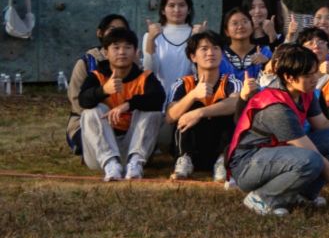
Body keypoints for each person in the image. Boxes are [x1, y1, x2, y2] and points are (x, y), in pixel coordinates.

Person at [225, 43, 329, 217]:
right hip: (247, 165)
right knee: (310, 159)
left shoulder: (305, 92)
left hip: (275, 154)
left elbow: (323, 124)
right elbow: (315, 155)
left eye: (315, 72)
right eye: (307, 75)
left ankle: (303, 194)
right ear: (289, 77)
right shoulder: (277, 107)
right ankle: (263, 198)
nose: (314, 79)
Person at [77, 26, 162, 181]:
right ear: (106, 53)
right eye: (116, 48)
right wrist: (103, 90)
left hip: (134, 147)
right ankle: (111, 164)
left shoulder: (145, 77)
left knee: (153, 112)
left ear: (135, 52)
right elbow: (83, 100)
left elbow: (158, 99)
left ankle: (135, 163)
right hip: (100, 151)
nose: (122, 52)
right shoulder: (96, 76)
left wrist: (129, 104)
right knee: (91, 111)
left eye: (127, 47)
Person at [165, 30, 242, 183]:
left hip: (220, 144)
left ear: (222, 54)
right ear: (193, 56)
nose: (210, 53)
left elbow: (235, 103)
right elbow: (170, 117)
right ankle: (184, 159)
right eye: (204, 49)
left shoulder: (232, 81)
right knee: (186, 107)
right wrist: (193, 95)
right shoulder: (182, 83)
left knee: (225, 108)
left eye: (215, 48)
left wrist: (200, 112)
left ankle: (222, 161)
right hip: (192, 144)